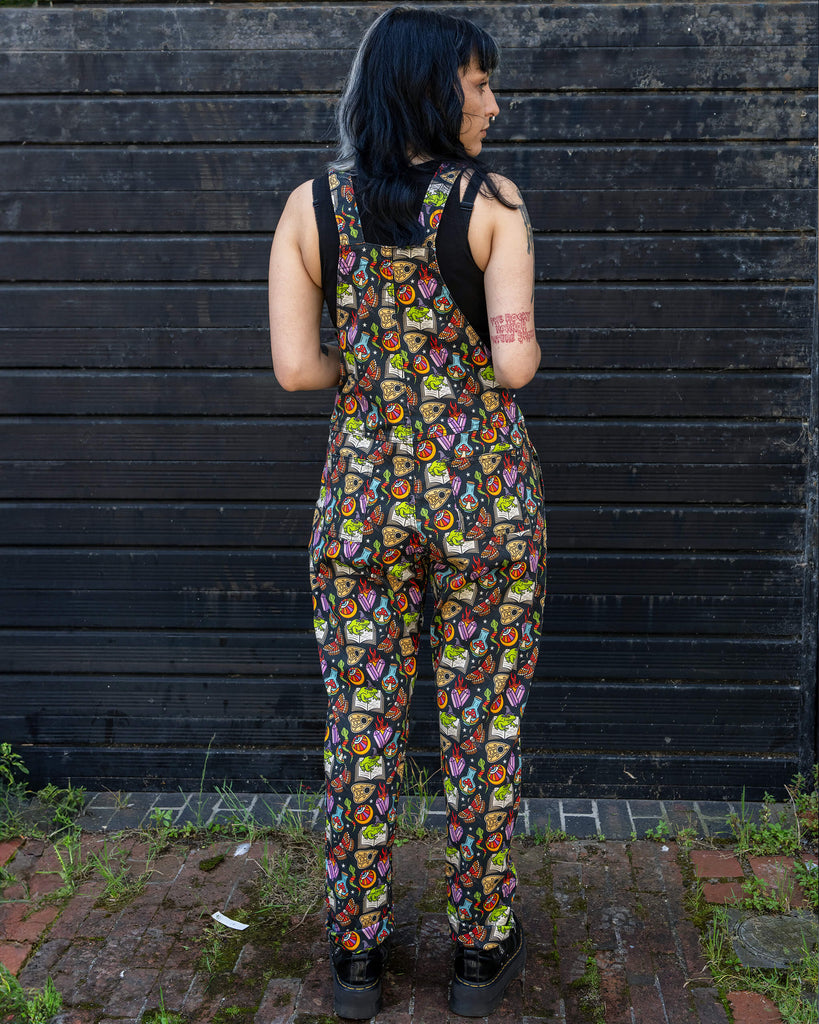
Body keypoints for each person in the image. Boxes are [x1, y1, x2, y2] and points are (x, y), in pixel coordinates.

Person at [268, 6, 547, 1017]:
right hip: (485, 509)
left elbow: (298, 367)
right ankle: (479, 953)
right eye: (480, 83)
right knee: (480, 726)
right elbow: (512, 361)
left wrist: (379, 375)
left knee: (362, 728)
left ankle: (353, 954)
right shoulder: (491, 202)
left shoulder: (313, 206)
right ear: (433, 87)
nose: (494, 103)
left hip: (361, 509)